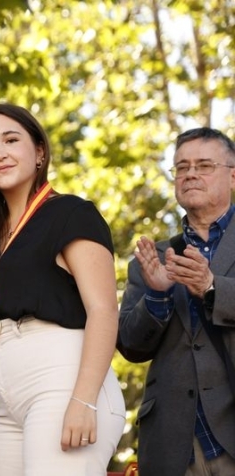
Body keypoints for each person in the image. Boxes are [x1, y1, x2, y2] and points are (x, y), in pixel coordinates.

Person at [0, 103, 126, 475]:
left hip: (64, 386)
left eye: (10, 140)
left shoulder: (71, 213)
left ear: (39, 152)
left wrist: (84, 401)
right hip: (8, 402)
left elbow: (103, 310)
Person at [118, 127, 235, 476]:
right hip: (173, 444)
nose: (191, 174)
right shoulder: (152, 257)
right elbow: (130, 345)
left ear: (232, 175)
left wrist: (213, 287)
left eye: (203, 165)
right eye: (182, 167)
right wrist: (156, 296)